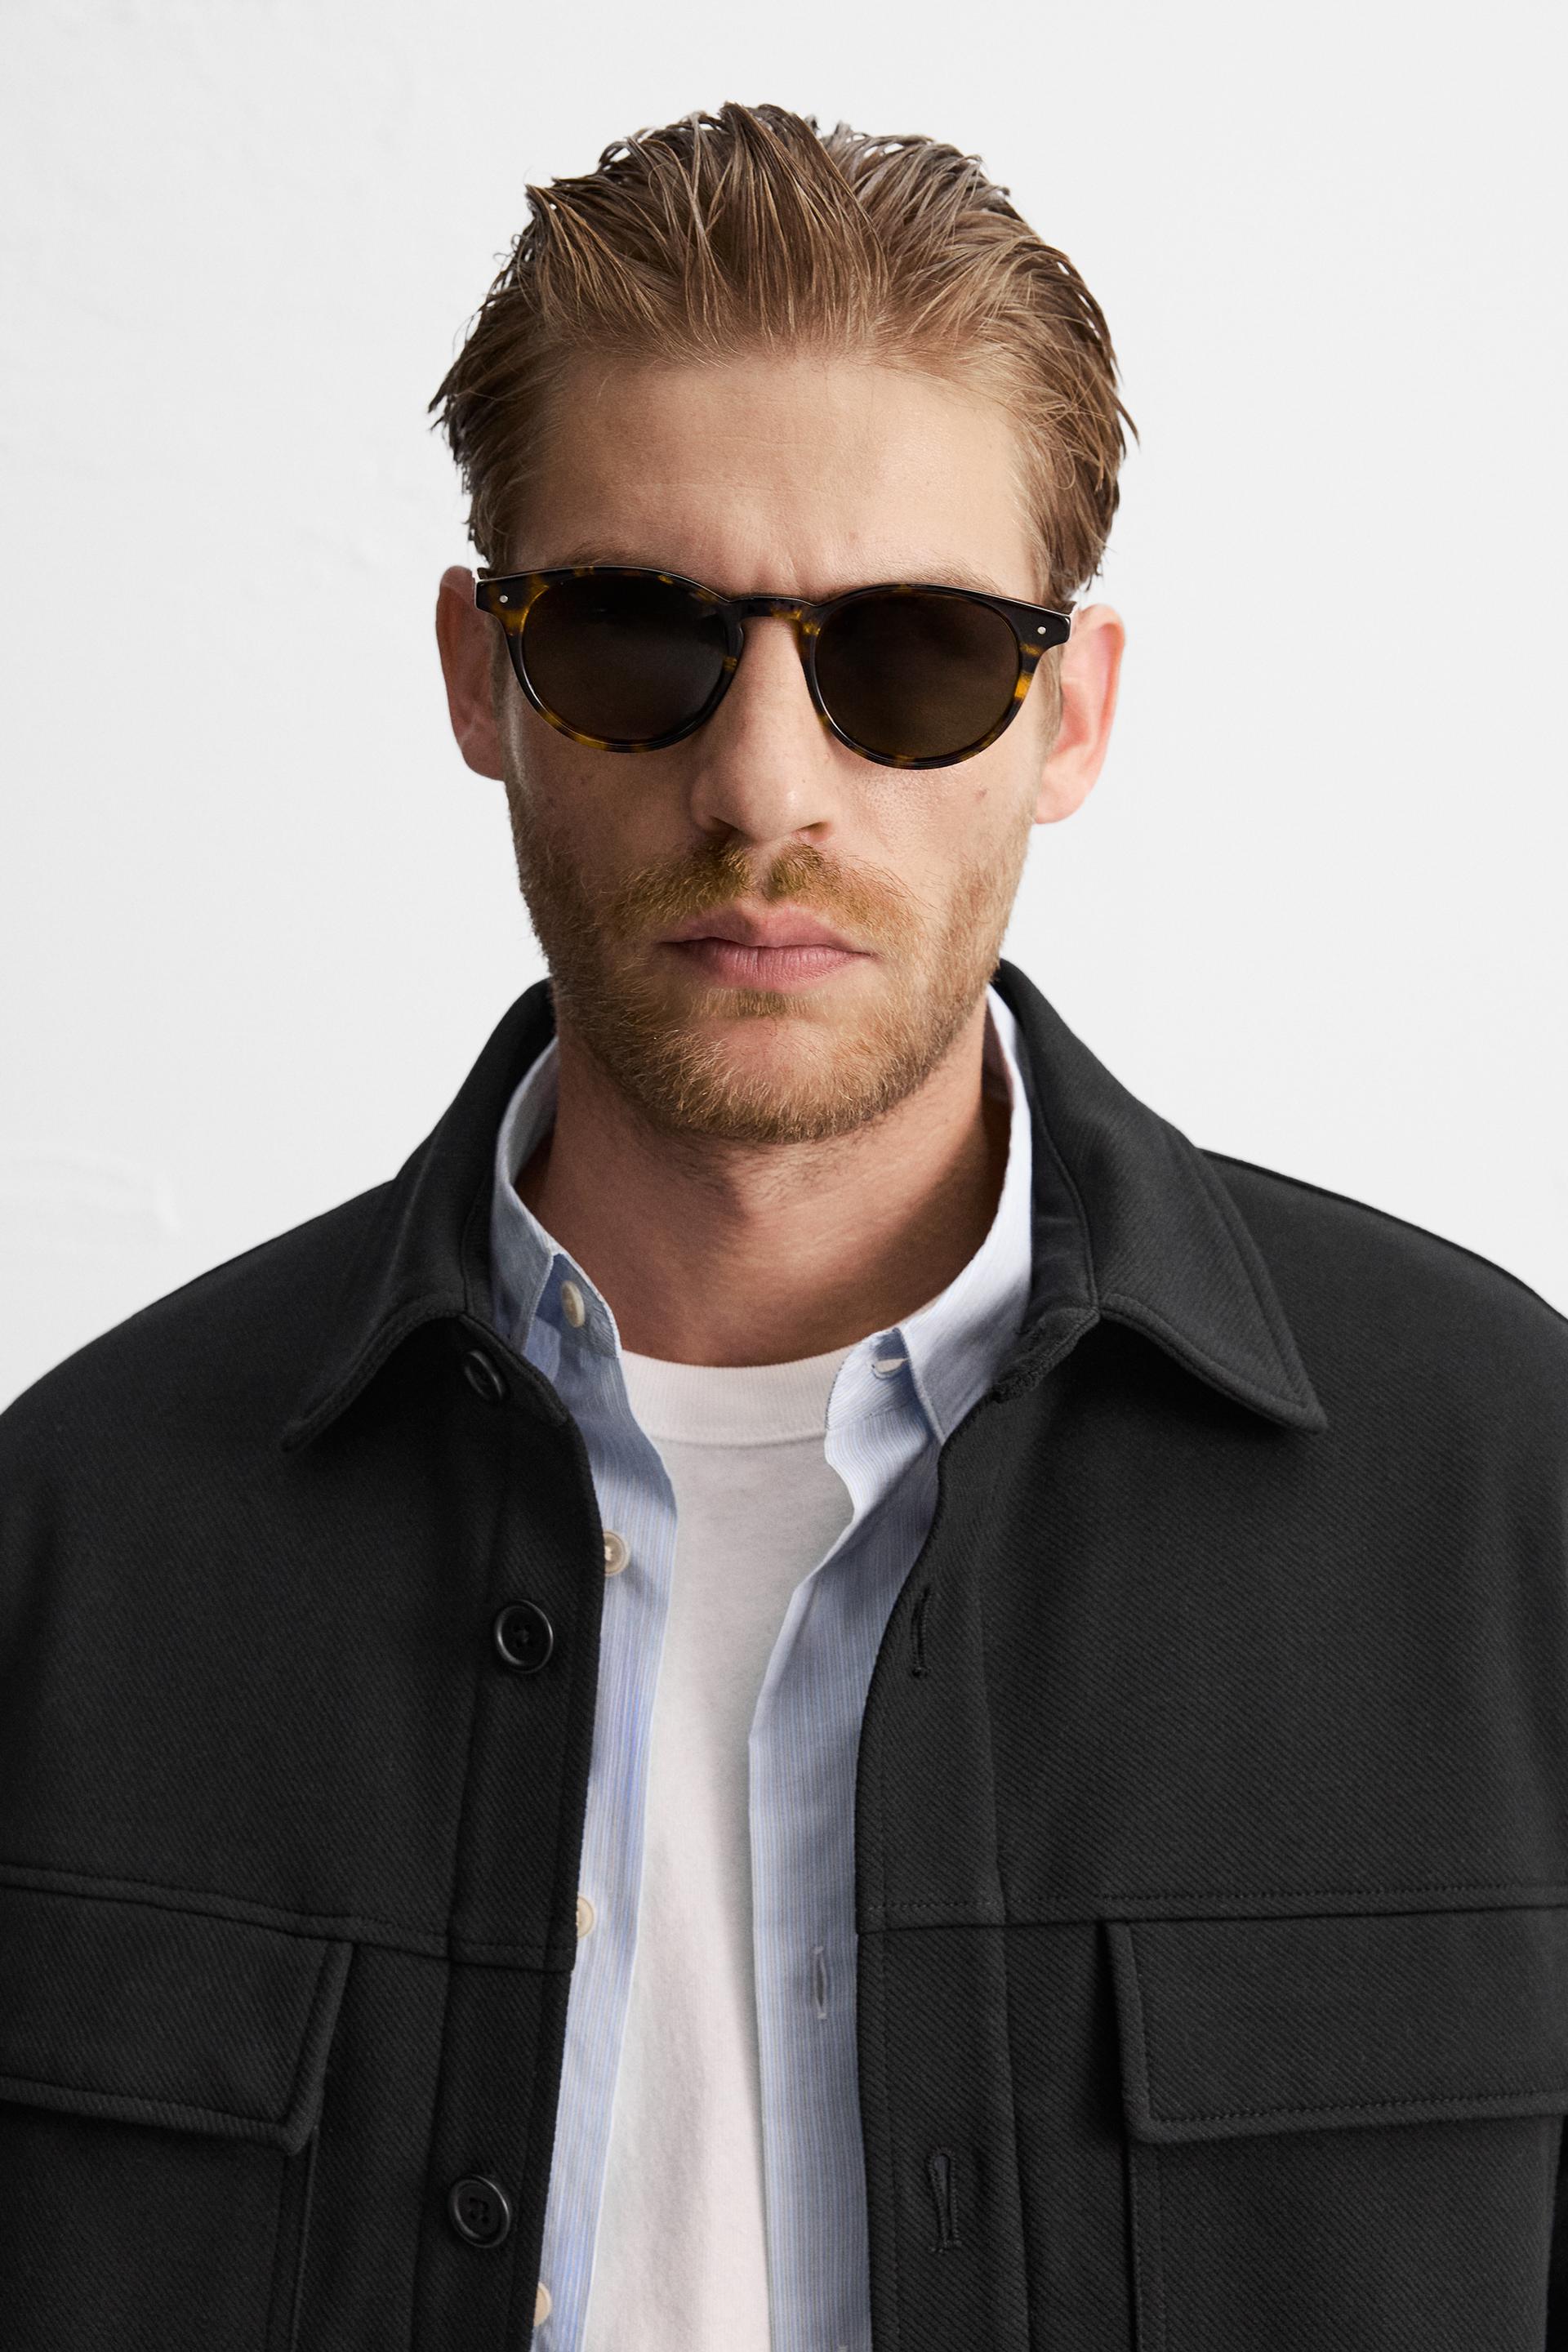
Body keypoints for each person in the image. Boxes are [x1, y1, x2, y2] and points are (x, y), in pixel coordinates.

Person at [2, 99, 1565, 2352]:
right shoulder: (72, 1540)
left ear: (1069, 718)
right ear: (479, 676)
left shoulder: (1508, 1503)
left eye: (912, 655)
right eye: (636, 638)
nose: (763, 784)